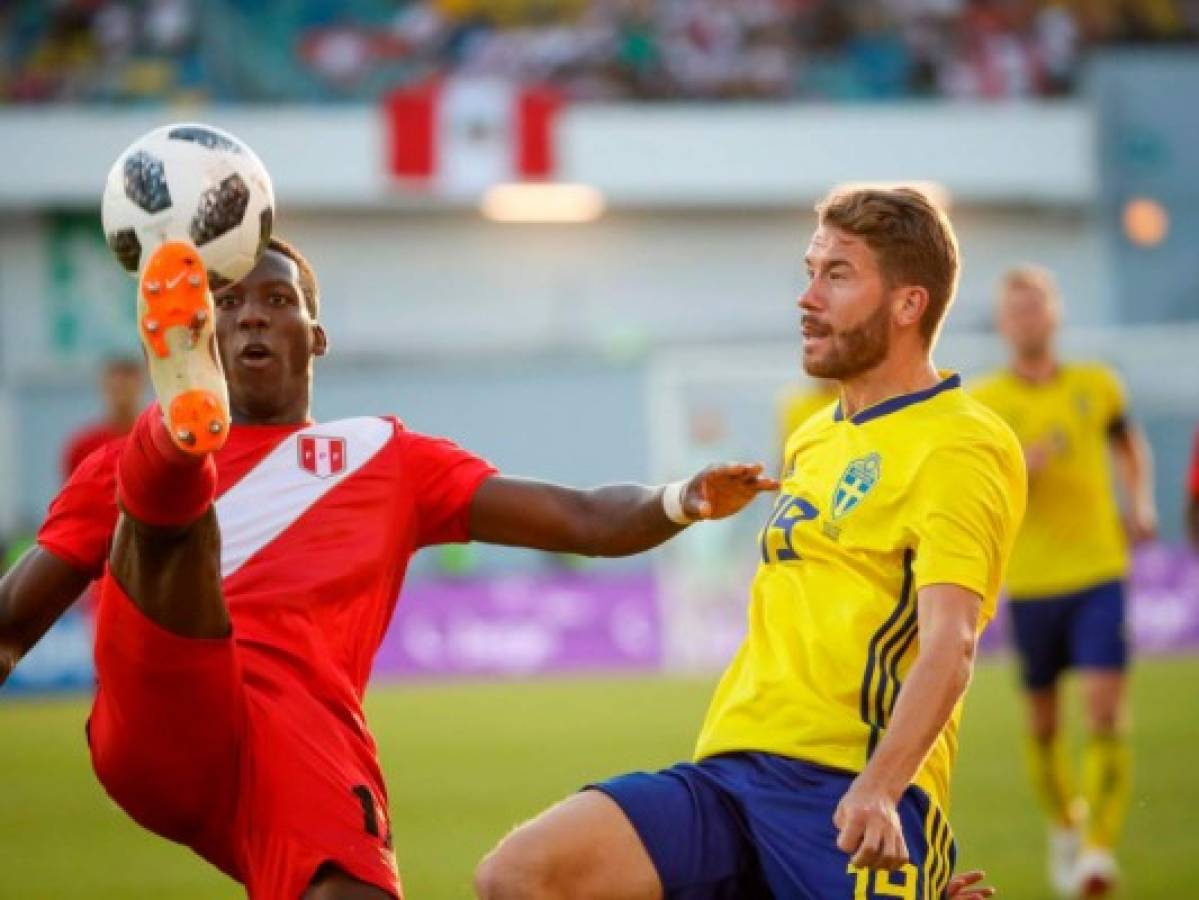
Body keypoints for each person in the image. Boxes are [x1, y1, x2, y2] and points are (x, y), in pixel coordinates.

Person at [0, 235, 779, 900]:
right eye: (227, 305)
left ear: (317, 334)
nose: (251, 317)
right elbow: (11, 625)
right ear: (203, 334)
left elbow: (582, 518)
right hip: (164, 703)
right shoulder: (104, 468)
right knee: (173, 516)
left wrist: (683, 497)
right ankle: (174, 441)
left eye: (275, 299)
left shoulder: (388, 459)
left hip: (299, 735)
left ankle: (173, 446)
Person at [474, 186, 1025, 900]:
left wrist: (881, 791)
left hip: (845, 795)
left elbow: (950, 644)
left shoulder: (960, 444)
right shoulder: (814, 435)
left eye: (837, 274)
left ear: (907, 304)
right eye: (808, 270)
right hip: (729, 774)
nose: (806, 297)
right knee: (519, 876)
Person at [971, 266, 1156, 898]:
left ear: (1054, 314)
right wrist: (1015, 469)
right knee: (1045, 725)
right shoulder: (987, 404)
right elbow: (976, 489)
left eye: (1036, 306)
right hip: (1029, 582)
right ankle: (1064, 825)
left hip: (1099, 571)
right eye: (1015, 309)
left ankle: (1099, 854)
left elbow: (1127, 445)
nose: (1027, 317)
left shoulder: (1097, 383)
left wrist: (1142, 503)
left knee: (1105, 712)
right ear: (1003, 324)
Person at [60, 355, 145, 479]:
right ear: (103, 382)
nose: (120, 382)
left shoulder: (156, 443)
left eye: (128, 374)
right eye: (115, 374)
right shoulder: (82, 448)